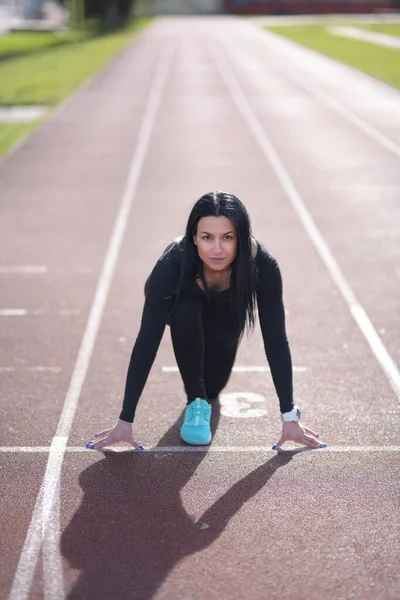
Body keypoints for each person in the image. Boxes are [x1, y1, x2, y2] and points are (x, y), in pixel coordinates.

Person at [86, 191, 326, 451]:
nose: (217, 249)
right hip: (182, 315)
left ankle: (205, 393)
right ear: (194, 238)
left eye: (228, 238)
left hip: (227, 319)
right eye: (207, 238)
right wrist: (126, 419)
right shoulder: (171, 265)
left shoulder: (263, 267)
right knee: (185, 310)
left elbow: (276, 340)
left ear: (241, 240)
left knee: (214, 387)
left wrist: (289, 416)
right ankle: (196, 400)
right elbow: (147, 340)